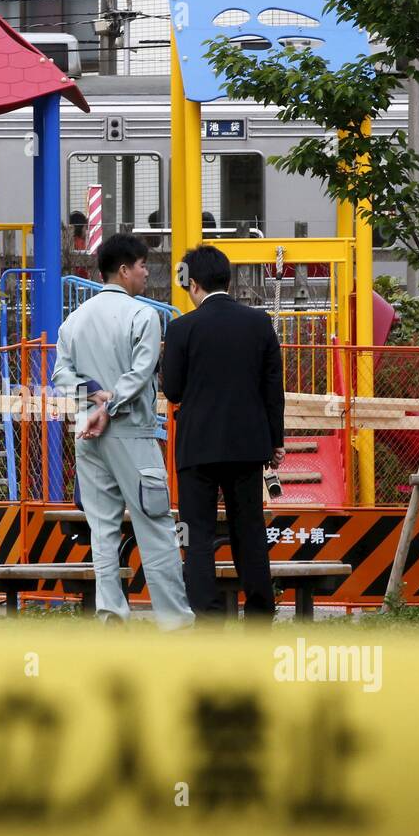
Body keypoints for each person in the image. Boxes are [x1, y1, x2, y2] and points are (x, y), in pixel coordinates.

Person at [52, 233, 194, 631]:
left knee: (103, 530)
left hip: (87, 434)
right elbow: (142, 371)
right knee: (156, 527)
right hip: (131, 432)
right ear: (124, 270)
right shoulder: (143, 316)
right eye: (143, 265)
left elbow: (60, 374)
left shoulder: (74, 320)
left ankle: (111, 616)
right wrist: (110, 405)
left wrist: (92, 398)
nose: (147, 273)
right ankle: (175, 622)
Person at [162, 245, 284, 622]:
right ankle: (261, 612)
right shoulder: (259, 323)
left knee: (196, 534)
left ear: (194, 284)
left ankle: (209, 615)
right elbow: (272, 387)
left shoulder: (181, 328)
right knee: (248, 529)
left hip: (197, 445)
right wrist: (275, 441)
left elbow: (174, 391)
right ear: (228, 280)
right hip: (248, 445)